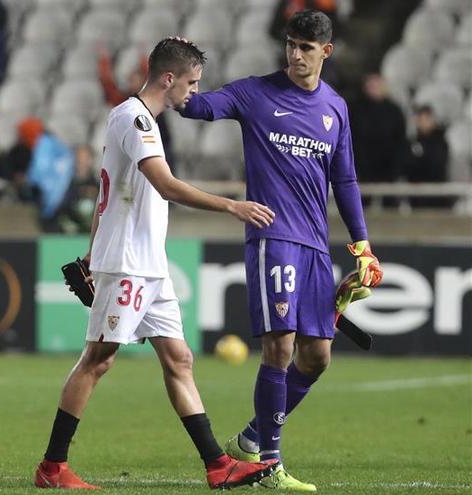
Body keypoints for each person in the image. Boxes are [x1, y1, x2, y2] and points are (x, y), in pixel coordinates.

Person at [33, 37, 279, 490]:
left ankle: (217, 465)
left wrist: (91, 251)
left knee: (179, 359)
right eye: (191, 82)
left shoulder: (130, 117)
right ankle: (52, 468)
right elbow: (164, 185)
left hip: (147, 264)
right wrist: (232, 206)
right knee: (97, 360)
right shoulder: (137, 119)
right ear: (169, 78)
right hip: (129, 263)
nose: (194, 91)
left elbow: (110, 193)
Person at [180, 10, 383, 491]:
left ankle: (252, 439)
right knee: (281, 345)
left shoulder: (335, 107)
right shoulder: (256, 93)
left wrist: (363, 246)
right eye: (291, 45)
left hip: (316, 243)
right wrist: (175, 83)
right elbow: (201, 107)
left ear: (325, 52)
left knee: (316, 357)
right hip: (274, 237)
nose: (295, 54)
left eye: (306, 48)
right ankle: (268, 466)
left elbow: (345, 179)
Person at [403, 105, 451, 209]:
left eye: (427, 118)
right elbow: (407, 167)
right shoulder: (410, 142)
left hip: (438, 198)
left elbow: (438, 166)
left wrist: (420, 158)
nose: (424, 122)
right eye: (421, 119)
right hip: (416, 198)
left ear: (433, 120)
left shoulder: (441, 142)